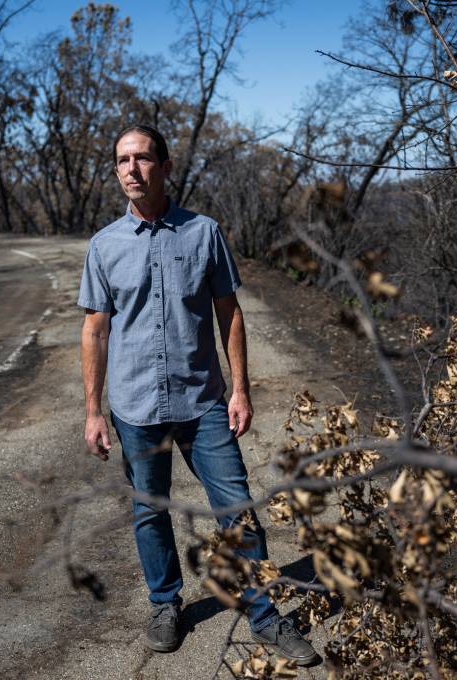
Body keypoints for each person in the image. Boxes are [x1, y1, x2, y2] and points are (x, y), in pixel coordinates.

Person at [77, 124, 317, 665]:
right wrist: (93, 411)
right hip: (135, 406)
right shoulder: (104, 246)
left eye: (141, 159)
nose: (130, 170)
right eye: (121, 161)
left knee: (237, 508)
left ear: (164, 166)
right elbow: (95, 330)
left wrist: (241, 390)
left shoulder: (203, 233)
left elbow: (228, 313)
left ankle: (265, 615)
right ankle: (166, 603)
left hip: (203, 400)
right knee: (150, 511)